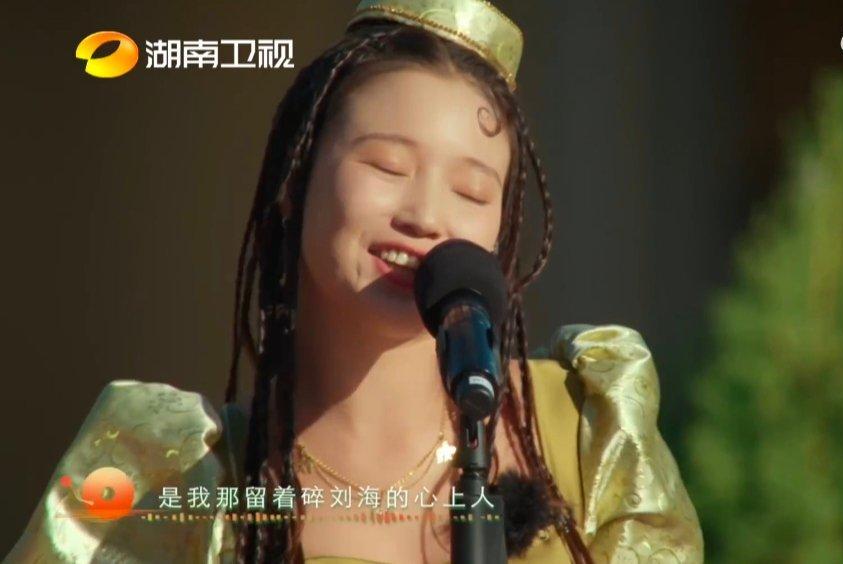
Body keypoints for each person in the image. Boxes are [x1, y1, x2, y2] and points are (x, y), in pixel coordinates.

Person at [7, 1, 703, 562]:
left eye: (471, 190)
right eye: (387, 167)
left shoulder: (585, 434)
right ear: (297, 179)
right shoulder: (169, 479)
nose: (426, 216)